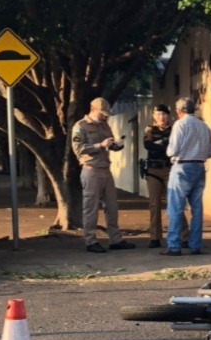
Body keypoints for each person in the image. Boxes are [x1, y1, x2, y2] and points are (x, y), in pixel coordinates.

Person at [70, 97, 134, 254]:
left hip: (106, 169)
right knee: (91, 207)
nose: (104, 116)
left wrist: (116, 145)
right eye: (102, 113)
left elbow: (109, 145)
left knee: (112, 206)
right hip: (91, 169)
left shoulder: (104, 125)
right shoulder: (80, 126)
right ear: (93, 109)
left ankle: (115, 239)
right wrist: (100, 145)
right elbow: (78, 149)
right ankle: (90, 240)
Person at [165, 96, 211, 256]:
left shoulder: (180, 124)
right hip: (199, 166)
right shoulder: (204, 126)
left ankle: (174, 246)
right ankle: (195, 245)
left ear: (179, 111)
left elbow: (173, 150)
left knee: (175, 207)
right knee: (197, 208)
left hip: (182, 167)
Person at [141, 105, 172, 248]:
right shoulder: (149, 130)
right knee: (154, 204)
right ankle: (155, 237)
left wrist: (159, 145)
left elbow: (175, 147)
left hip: (170, 170)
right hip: (154, 170)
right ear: (154, 116)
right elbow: (148, 145)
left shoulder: (174, 130)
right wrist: (165, 146)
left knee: (174, 203)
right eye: (158, 114)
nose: (161, 117)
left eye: (164, 114)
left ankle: (183, 236)